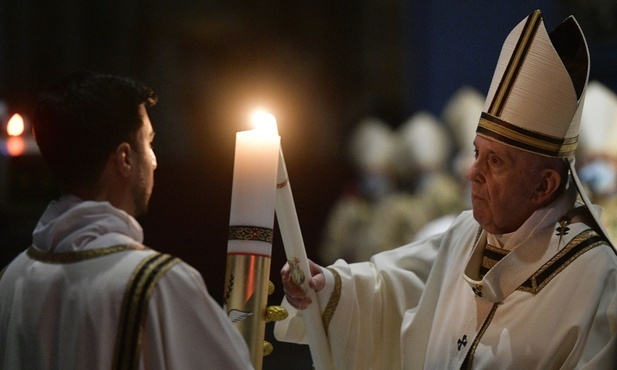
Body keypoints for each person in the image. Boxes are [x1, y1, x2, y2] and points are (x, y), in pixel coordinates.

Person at [275, 10, 617, 369]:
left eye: (496, 162)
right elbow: (393, 288)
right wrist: (325, 286)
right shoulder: (467, 233)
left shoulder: (597, 279)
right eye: (476, 153)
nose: (472, 172)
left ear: (544, 185)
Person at [0, 72, 253, 369]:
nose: (155, 160)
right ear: (125, 159)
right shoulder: (158, 283)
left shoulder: (11, 279)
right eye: (147, 143)